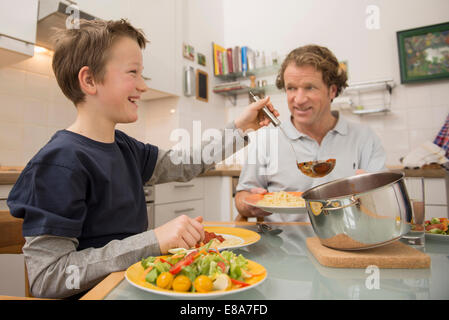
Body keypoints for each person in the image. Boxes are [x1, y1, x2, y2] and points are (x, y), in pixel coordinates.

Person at [6, 19, 278, 299]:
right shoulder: (59, 163)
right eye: (133, 73)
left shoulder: (124, 147)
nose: (143, 86)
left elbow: (182, 164)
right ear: (89, 80)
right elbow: (49, 279)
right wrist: (154, 241)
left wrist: (241, 127)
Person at [235, 44, 386, 222]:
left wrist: (372, 192)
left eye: (310, 88)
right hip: (283, 245)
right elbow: (242, 197)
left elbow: (385, 201)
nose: (298, 100)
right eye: (291, 88)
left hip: (349, 244)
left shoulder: (363, 138)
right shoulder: (268, 140)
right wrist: (250, 204)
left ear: (332, 90)